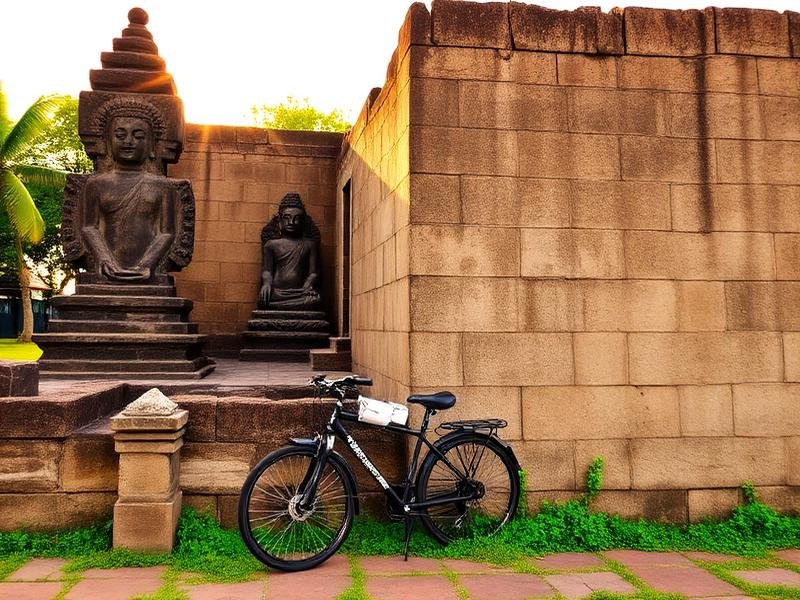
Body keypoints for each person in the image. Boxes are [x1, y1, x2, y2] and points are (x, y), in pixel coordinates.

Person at [81, 106, 177, 282]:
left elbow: (167, 232)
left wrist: (147, 264)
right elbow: (89, 227)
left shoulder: (162, 186)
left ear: (151, 145)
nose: (128, 141)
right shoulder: (96, 184)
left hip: (148, 266)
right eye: (120, 135)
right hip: (108, 266)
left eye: (138, 136)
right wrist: (104, 258)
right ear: (109, 142)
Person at [258, 193, 321, 309]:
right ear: (279, 220)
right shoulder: (271, 245)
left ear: (303, 222)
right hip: (277, 293)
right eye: (287, 218)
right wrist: (266, 284)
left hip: (301, 292)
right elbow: (267, 270)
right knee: (264, 298)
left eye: (297, 218)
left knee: (314, 300)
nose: (291, 222)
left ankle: (283, 308)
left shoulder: (309, 245)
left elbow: (313, 272)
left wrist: (309, 283)